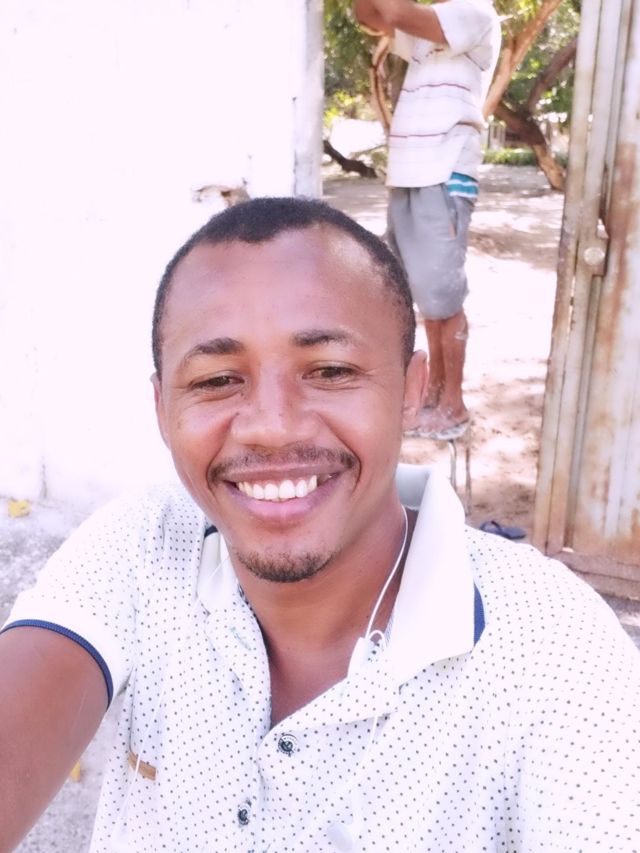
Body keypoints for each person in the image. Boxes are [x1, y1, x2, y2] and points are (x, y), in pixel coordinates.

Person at [1, 198, 639, 853]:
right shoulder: (146, 542)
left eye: (331, 371)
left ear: (411, 389)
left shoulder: (554, 649)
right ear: (162, 409)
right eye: (217, 380)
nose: (272, 427)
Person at [354, 0, 501, 439]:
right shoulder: (428, 30)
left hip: (443, 173)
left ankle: (453, 404)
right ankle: (433, 395)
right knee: (424, 299)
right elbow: (370, 15)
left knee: (442, 300)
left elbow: (396, 13)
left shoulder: (474, 13)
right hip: (409, 174)